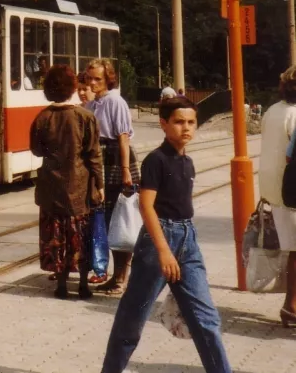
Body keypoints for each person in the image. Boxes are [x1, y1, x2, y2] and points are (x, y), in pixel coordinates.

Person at [101, 97, 231, 373]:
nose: (186, 128)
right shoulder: (156, 160)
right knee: (133, 318)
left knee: (206, 319)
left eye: (191, 122)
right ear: (164, 124)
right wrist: (163, 250)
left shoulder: (188, 162)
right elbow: (146, 205)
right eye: (179, 122)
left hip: (188, 239)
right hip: (158, 241)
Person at [30, 65, 103, 299]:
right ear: (72, 88)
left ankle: (61, 284)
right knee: (80, 234)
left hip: (52, 188)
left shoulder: (42, 117)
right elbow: (94, 154)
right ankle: (83, 284)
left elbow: (36, 150)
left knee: (57, 236)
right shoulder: (85, 117)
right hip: (79, 186)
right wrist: (99, 184)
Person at [85, 58, 138, 294]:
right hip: (99, 158)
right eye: (90, 78)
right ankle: (113, 275)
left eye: (98, 78)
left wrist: (126, 170)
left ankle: (122, 278)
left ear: (108, 79)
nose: (93, 83)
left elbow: (123, 137)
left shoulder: (115, 101)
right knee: (105, 219)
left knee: (120, 219)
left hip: (116, 159)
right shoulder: (91, 104)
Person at [262, 65, 296, 327]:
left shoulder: (273, 110)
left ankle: (291, 303)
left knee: (291, 247)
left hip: (274, 188)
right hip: (291, 189)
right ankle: (291, 305)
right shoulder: (295, 114)